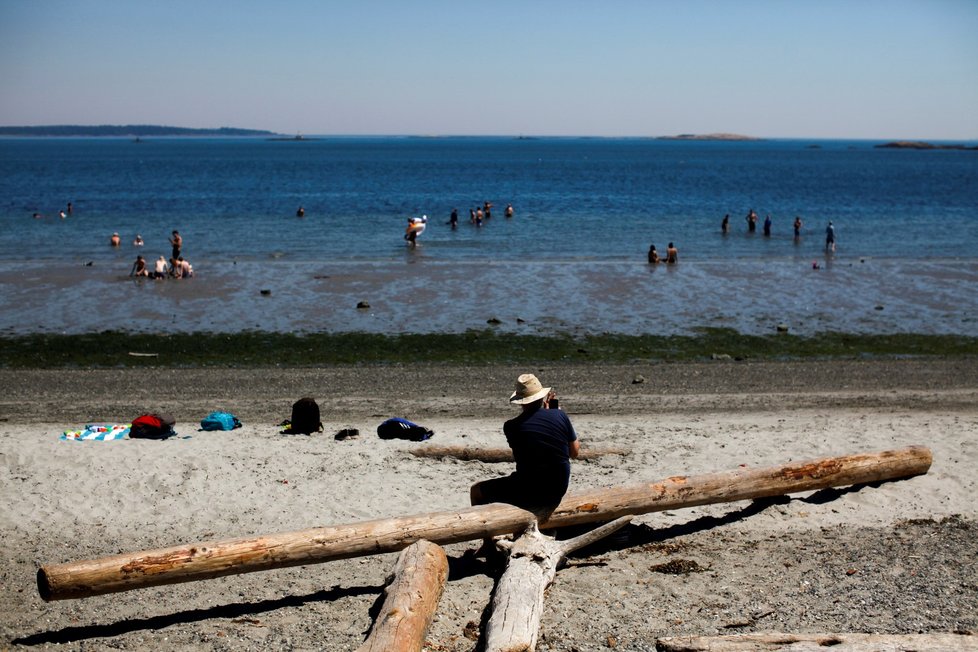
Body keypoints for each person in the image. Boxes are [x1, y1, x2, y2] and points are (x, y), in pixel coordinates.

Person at [470, 373, 580, 515]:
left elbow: (532, 448)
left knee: (476, 490)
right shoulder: (560, 415)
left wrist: (547, 416)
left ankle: (486, 536)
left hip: (529, 492)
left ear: (521, 401)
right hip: (557, 489)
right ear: (541, 397)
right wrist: (553, 415)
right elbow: (575, 452)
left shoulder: (511, 427)